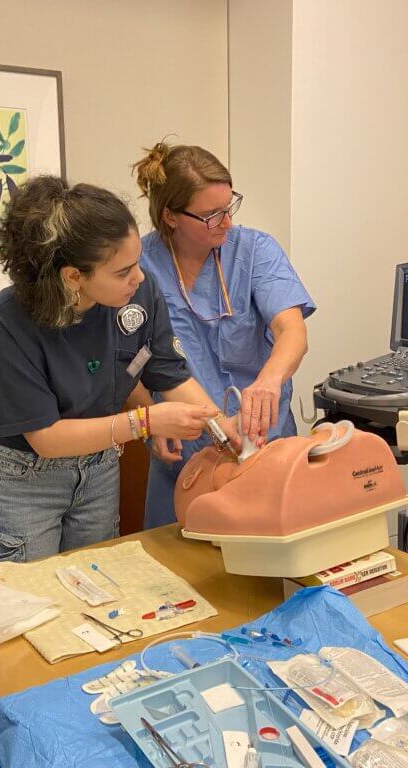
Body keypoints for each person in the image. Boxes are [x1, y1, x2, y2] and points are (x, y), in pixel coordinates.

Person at [0, 175, 237, 575]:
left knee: (94, 590)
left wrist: (220, 424)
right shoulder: (8, 324)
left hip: (99, 467)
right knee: (26, 598)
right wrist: (146, 421)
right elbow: (47, 439)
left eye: (138, 263)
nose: (139, 278)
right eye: (123, 271)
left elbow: (169, 374)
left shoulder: (137, 295)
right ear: (74, 276)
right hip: (27, 478)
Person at [133, 141, 316, 528]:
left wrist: (269, 380)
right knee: (177, 572)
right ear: (170, 216)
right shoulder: (139, 267)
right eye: (211, 215)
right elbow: (127, 357)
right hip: (187, 456)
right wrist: (148, 416)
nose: (226, 223)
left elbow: (292, 332)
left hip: (265, 445)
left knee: (268, 565)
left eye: (229, 207)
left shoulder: (254, 251)